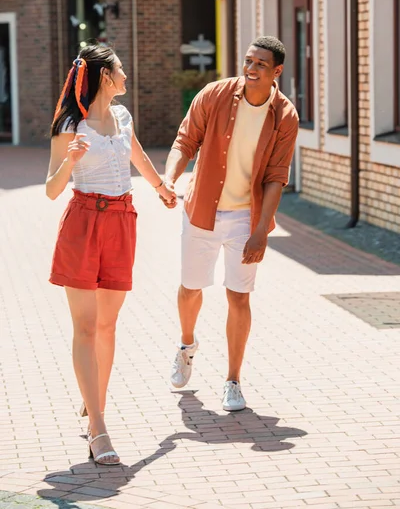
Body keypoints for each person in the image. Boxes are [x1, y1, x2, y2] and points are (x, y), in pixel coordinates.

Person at [46, 44, 176, 465]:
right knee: (85, 327)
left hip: (122, 220)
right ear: (106, 76)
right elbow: (51, 188)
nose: (126, 77)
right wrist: (70, 161)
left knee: (107, 325)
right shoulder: (71, 122)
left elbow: (134, 152)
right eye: (121, 70)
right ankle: (98, 428)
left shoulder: (122, 117)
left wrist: (160, 187)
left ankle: (92, 401)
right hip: (83, 220)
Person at [162, 36, 299, 411]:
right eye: (248, 61)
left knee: (239, 296)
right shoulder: (215, 94)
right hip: (202, 209)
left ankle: (233, 380)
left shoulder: (285, 116)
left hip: (245, 217)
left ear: (277, 72)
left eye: (259, 64)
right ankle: (186, 345)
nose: (250, 69)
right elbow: (185, 141)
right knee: (191, 288)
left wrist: (260, 231)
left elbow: (276, 176)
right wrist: (170, 179)